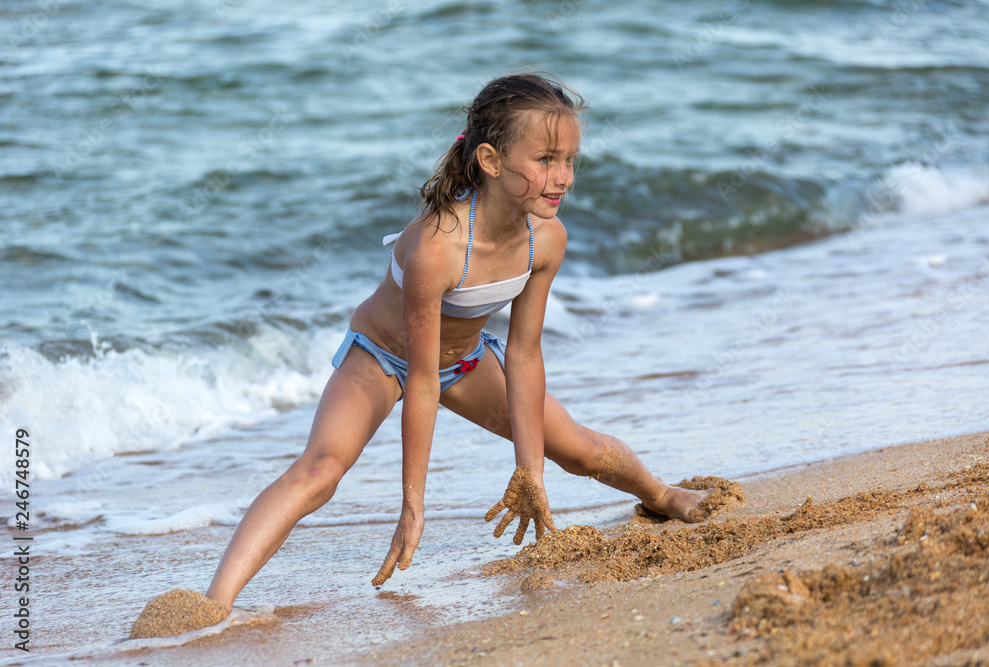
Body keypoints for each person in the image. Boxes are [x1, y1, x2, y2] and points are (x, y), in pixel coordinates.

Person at [205, 73, 712, 608]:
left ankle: (660, 495)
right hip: (381, 360)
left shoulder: (547, 239)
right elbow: (420, 382)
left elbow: (522, 355)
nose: (561, 177)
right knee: (320, 471)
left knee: (583, 453)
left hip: (467, 363)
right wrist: (412, 504)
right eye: (544, 160)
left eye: (569, 160)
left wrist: (529, 472)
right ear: (491, 161)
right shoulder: (437, 248)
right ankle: (212, 604)